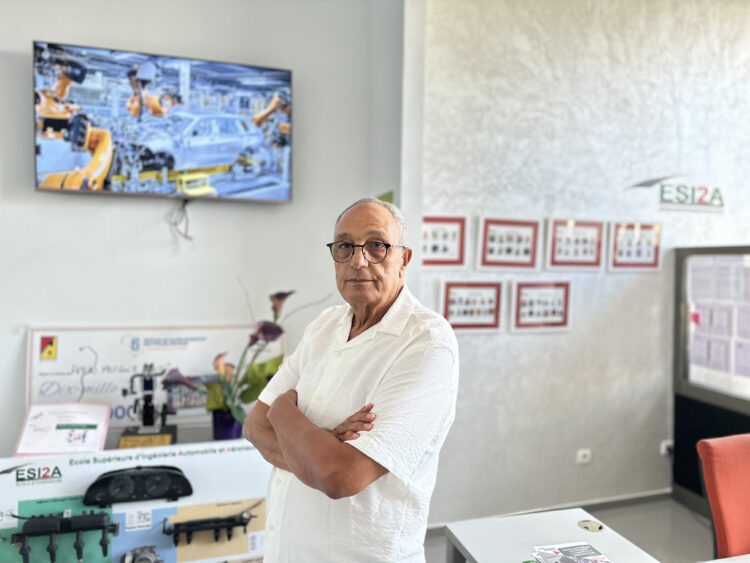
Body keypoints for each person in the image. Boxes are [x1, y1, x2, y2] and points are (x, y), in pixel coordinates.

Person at [244, 198, 459, 562]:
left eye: (376, 245)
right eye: (345, 246)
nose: (358, 261)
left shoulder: (427, 343)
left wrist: (282, 410)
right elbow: (254, 427)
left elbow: (341, 476)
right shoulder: (325, 324)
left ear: (404, 259)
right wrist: (322, 447)